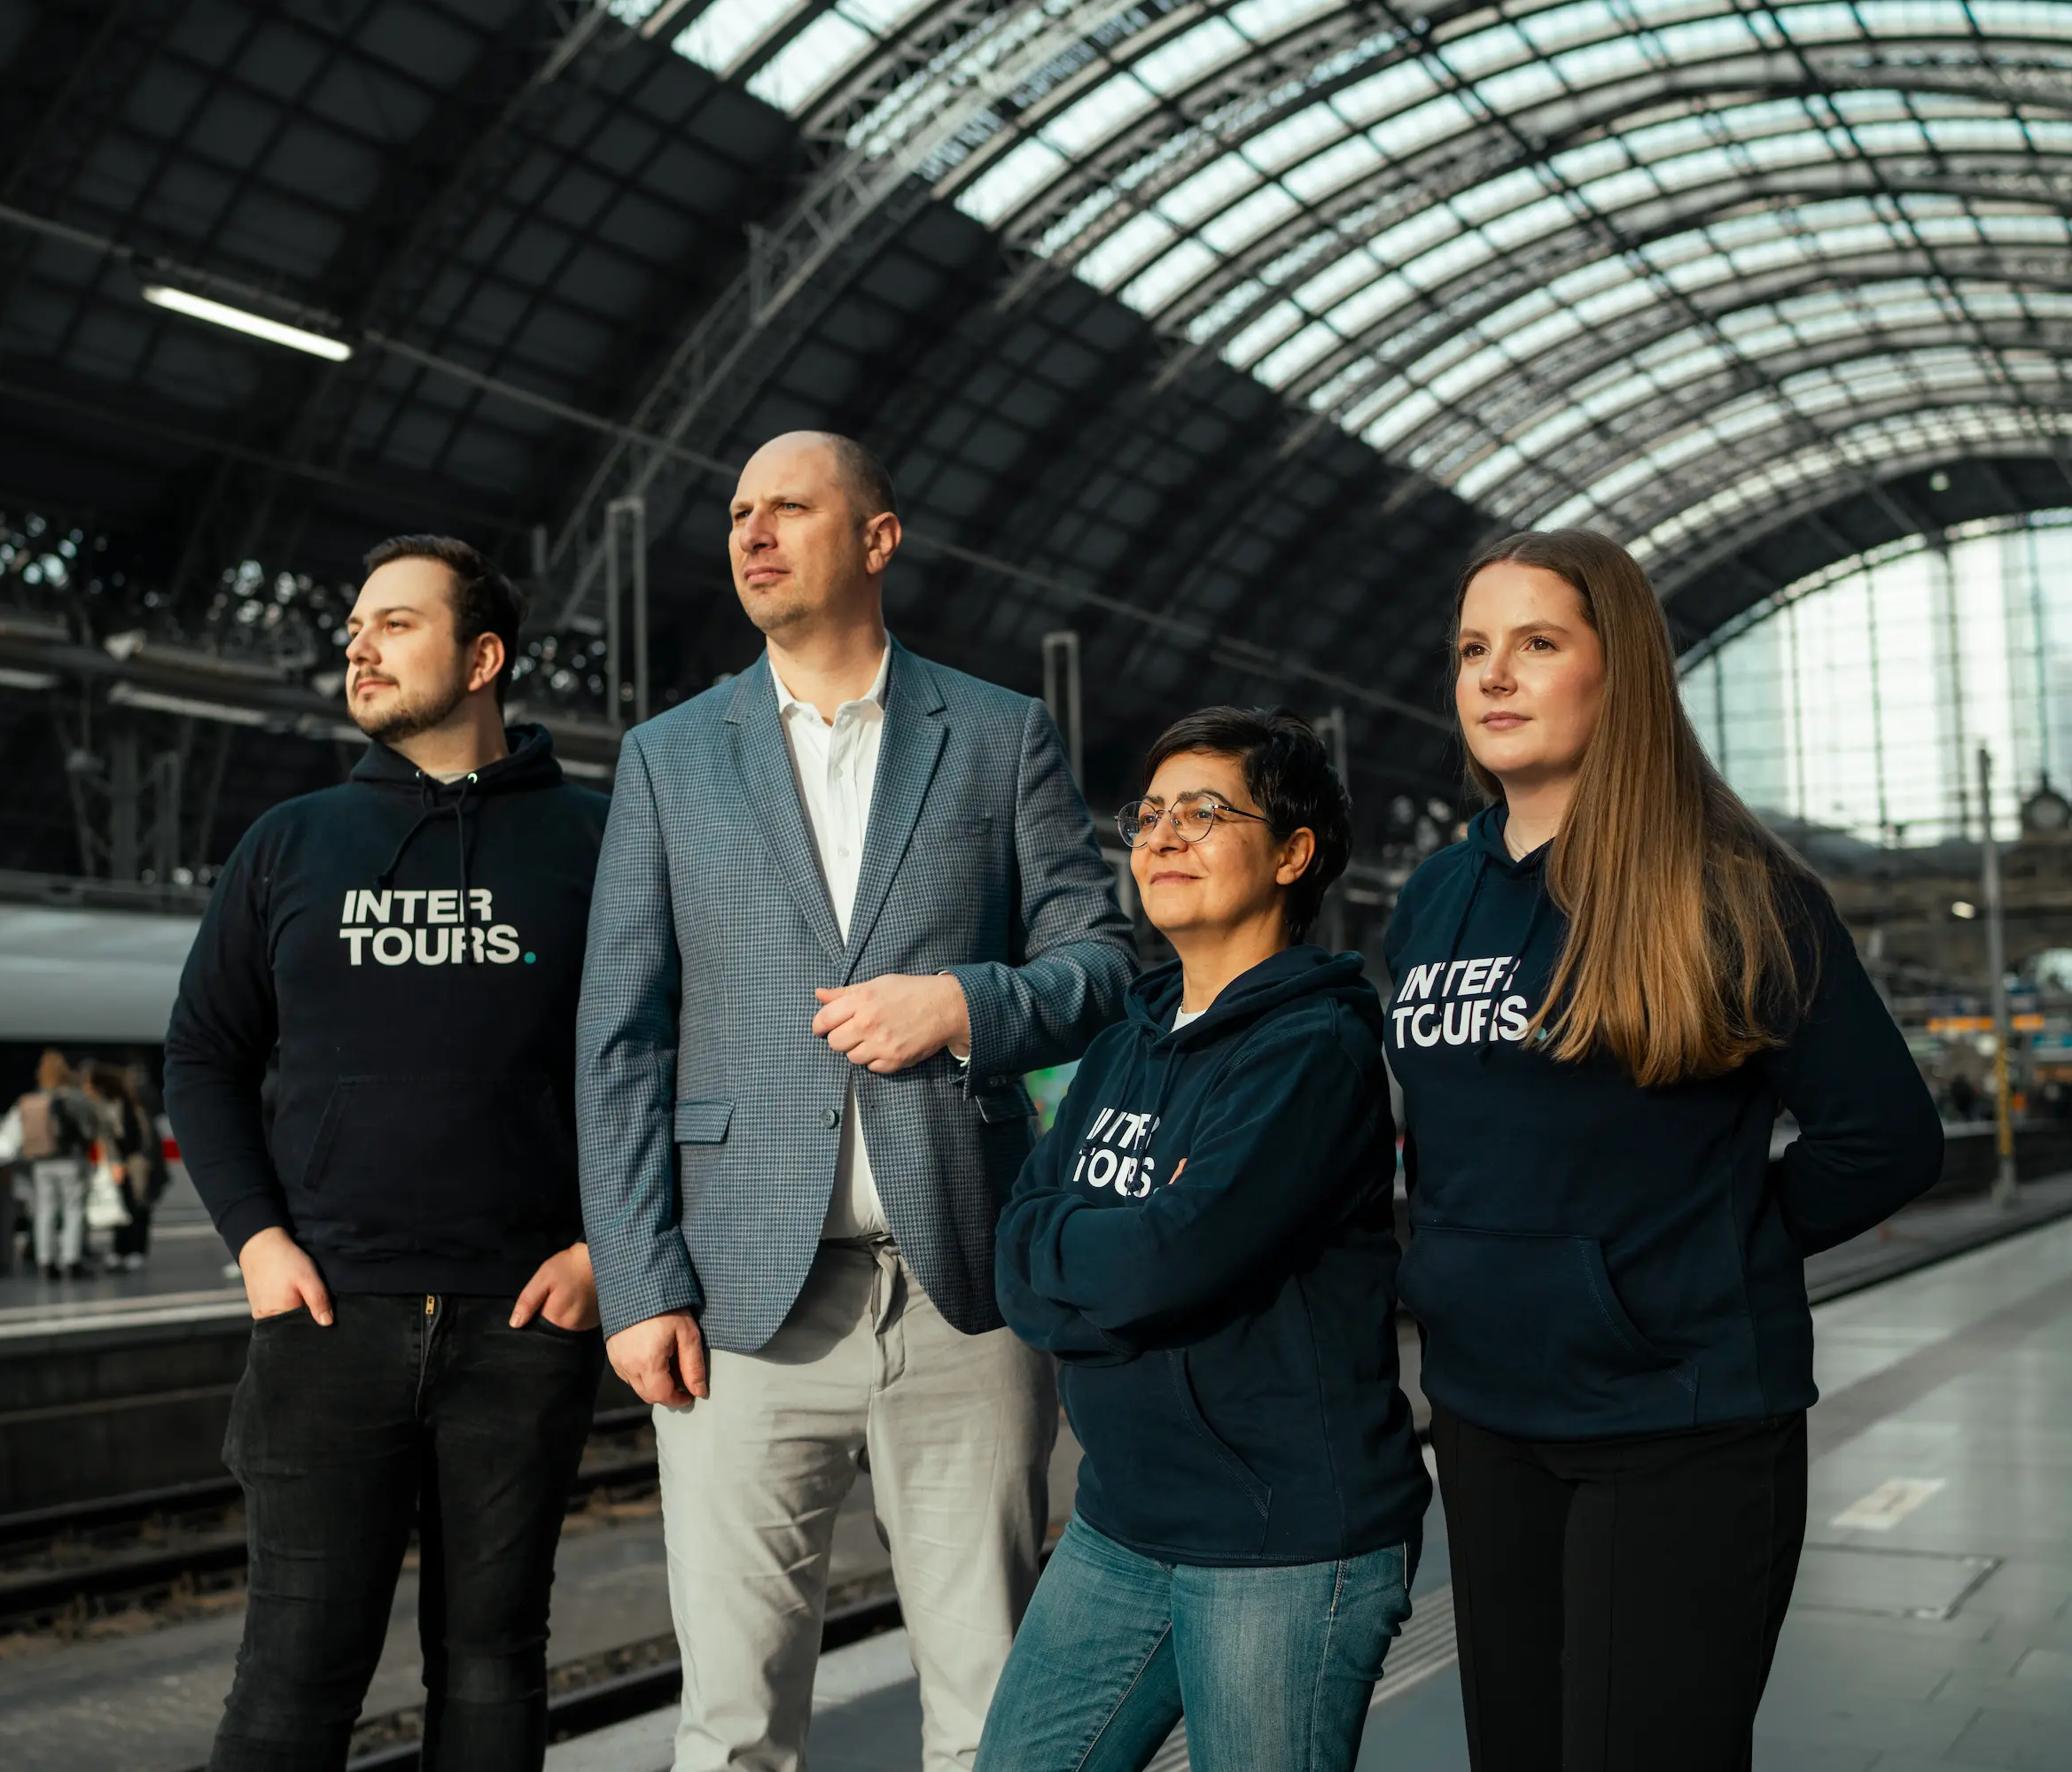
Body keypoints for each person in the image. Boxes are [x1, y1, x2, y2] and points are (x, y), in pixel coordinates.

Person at [579, 431, 1134, 1772]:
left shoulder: (999, 735)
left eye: (791, 508)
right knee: (731, 1729)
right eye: (739, 513)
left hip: (961, 1297)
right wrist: (640, 1280)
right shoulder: (669, 758)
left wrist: (966, 1006)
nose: (754, 533)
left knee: (991, 1710)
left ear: (878, 541)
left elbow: (1104, 962)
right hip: (739, 1307)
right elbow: (620, 1036)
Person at [1384, 529, 1943, 1771]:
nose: (1495, 676)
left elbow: (1887, 1138)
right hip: (1483, 1416)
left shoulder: (1731, 888)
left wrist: (1697, 1255)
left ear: (1618, 668)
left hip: (1678, 1423)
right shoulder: (1433, 898)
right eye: (1474, 649)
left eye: (1538, 643)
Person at [167, 533, 608, 1770]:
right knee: (295, 1677)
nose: (359, 644)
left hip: (525, 1321)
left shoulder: (595, 840)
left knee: (491, 1668)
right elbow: (201, 1054)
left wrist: (601, 1249)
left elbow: (665, 1059)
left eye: (395, 624)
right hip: (324, 1318)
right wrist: (255, 1239)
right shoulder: (289, 844)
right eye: (356, 626)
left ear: (483, 657)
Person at [985, 708, 1430, 1770]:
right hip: (1120, 1519)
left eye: (1206, 811)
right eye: (1149, 814)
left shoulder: (1312, 1051)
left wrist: (1100, 1248)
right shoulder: (1123, 1043)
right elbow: (1016, 1251)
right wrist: (1117, 1246)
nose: (1162, 836)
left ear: (1293, 853)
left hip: (1282, 1543)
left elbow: (1170, 1262)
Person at [0, 1051, 104, 1278]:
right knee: (73, 1210)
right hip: (69, 1161)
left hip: (41, 1163)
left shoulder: (33, 1100)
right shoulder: (73, 1098)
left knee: (45, 1210)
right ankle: (71, 1259)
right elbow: (90, 1127)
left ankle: (45, 1260)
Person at [86, 1060, 162, 1270]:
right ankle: (120, 1249)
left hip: (138, 1162)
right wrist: (115, 1162)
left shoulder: (133, 1104)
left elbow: (143, 1137)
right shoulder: (108, 1105)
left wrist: (137, 1161)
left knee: (139, 1205)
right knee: (121, 1205)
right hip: (122, 1163)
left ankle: (136, 1250)